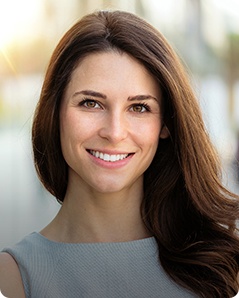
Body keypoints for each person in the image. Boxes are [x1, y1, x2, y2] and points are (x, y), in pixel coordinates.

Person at [0, 10, 239, 298]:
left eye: (139, 108)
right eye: (91, 103)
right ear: (55, 112)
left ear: (165, 123)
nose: (114, 132)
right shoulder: (12, 278)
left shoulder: (225, 266)